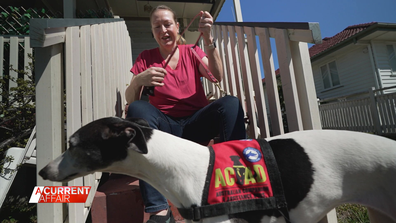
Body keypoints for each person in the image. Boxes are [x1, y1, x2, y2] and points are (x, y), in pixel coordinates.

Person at [125, 5, 246, 223]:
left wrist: (208, 38)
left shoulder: (192, 51)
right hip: (165, 129)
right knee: (137, 109)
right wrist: (138, 80)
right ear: (153, 32)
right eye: (157, 26)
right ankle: (158, 210)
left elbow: (216, 76)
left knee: (231, 103)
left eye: (167, 24)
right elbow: (131, 101)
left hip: (195, 124)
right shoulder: (146, 57)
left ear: (177, 26)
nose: (163, 30)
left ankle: (236, 188)